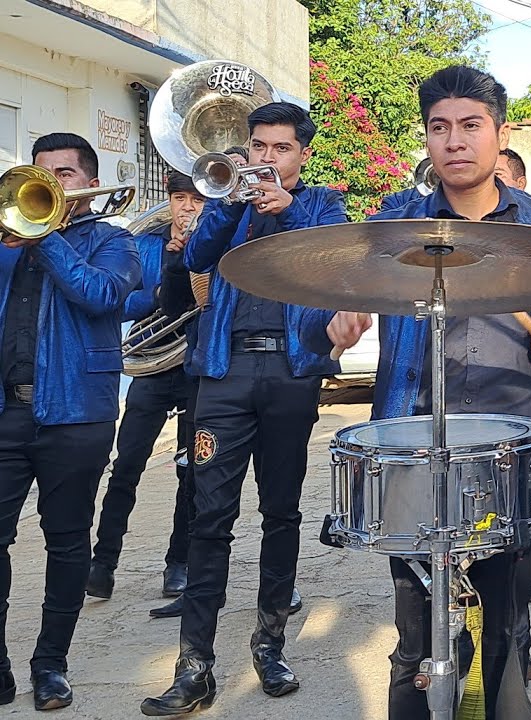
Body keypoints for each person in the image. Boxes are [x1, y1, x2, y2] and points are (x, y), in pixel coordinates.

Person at [309, 64, 531, 720]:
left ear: (499, 135)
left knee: (505, 628)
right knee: (417, 639)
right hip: (415, 452)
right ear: (426, 136)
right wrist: (336, 318)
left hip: (517, 449)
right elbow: (319, 304)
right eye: (439, 127)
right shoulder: (393, 223)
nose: (454, 140)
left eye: (470, 125)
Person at [140, 103, 347, 715]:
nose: (267, 158)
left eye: (281, 148)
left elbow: (334, 258)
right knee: (209, 517)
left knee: (281, 513)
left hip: (290, 372)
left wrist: (287, 210)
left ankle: (270, 645)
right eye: (259, 146)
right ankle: (194, 667)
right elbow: (197, 257)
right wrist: (231, 202)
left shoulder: (322, 205)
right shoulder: (225, 198)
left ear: (303, 153)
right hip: (224, 374)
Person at [0, 132, 141, 710]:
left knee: (66, 541)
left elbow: (101, 295)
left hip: (77, 414)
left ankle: (50, 664)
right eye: (42, 174)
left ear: (90, 183)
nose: (52, 183)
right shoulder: (7, 243)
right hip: (7, 411)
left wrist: (47, 235)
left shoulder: (114, 242)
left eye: (64, 174)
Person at [86, 172, 205, 605]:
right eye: (179, 197)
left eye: (196, 199)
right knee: (127, 466)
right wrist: (157, 294)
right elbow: (120, 302)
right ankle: (103, 563)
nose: (187, 207)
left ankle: (179, 563)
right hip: (152, 366)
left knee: (191, 471)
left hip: (195, 366)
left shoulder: (215, 242)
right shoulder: (143, 243)